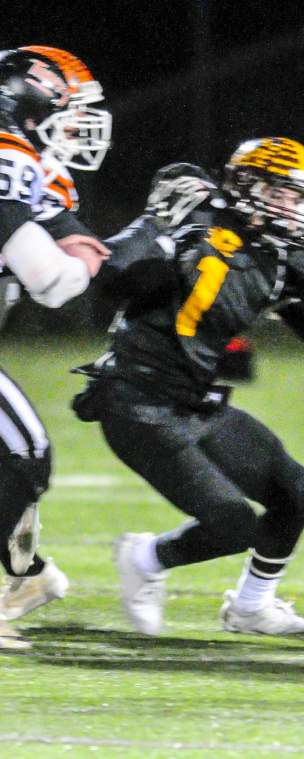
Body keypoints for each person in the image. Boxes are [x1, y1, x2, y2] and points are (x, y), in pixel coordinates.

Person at [75, 138, 304, 638]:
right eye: (285, 193)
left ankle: (251, 607)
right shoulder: (198, 217)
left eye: (303, 198)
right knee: (232, 523)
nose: (296, 208)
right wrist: (157, 224)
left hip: (195, 403)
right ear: (248, 186)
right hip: (136, 399)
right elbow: (110, 275)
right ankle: (143, 558)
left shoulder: (277, 260)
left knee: (299, 494)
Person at [0, 47, 112, 647]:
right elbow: (49, 281)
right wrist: (77, 268)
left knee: (13, 455)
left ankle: (25, 576)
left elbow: (64, 229)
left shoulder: (32, 163)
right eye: (70, 110)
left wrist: (80, 245)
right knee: (25, 453)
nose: (78, 126)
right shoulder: (6, 153)